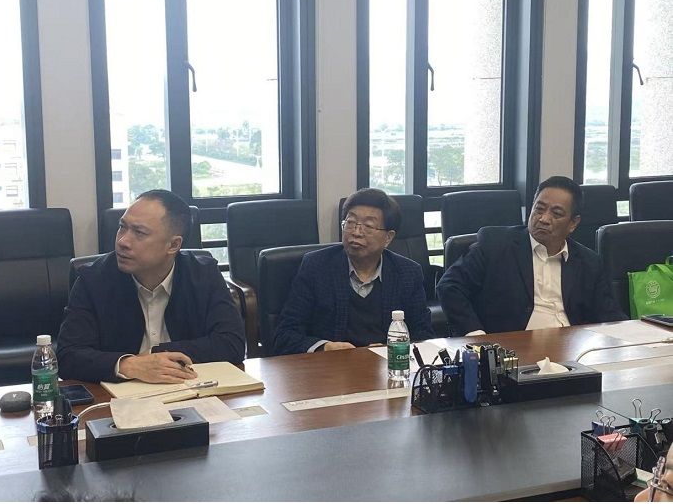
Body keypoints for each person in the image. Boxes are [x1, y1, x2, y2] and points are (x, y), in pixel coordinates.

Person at [57, 190, 245, 383]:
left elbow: (232, 344)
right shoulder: (93, 279)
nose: (122, 241)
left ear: (173, 245)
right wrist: (129, 365)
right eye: (122, 227)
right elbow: (68, 356)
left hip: (188, 388)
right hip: (122, 393)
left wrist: (154, 356)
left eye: (139, 233)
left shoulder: (203, 275)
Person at [437, 176, 626, 337]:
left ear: (573, 223)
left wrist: (635, 337)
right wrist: (475, 335)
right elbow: (450, 286)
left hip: (570, 350)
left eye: (556, 213)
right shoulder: (495, 245)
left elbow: (609, 315)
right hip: (512, 349)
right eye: (539, 209)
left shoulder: (589, 262)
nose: (544, 219)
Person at [273, 188, 434, 355]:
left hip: (387, 366)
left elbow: (424, 335)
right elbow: (285, 335)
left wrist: (389, 349)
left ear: (388, 237)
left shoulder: (408, 273)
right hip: (331, 366)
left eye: (368, 226)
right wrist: (325, 347)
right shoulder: (316, 266)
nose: (356, 233)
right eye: (350, 223)